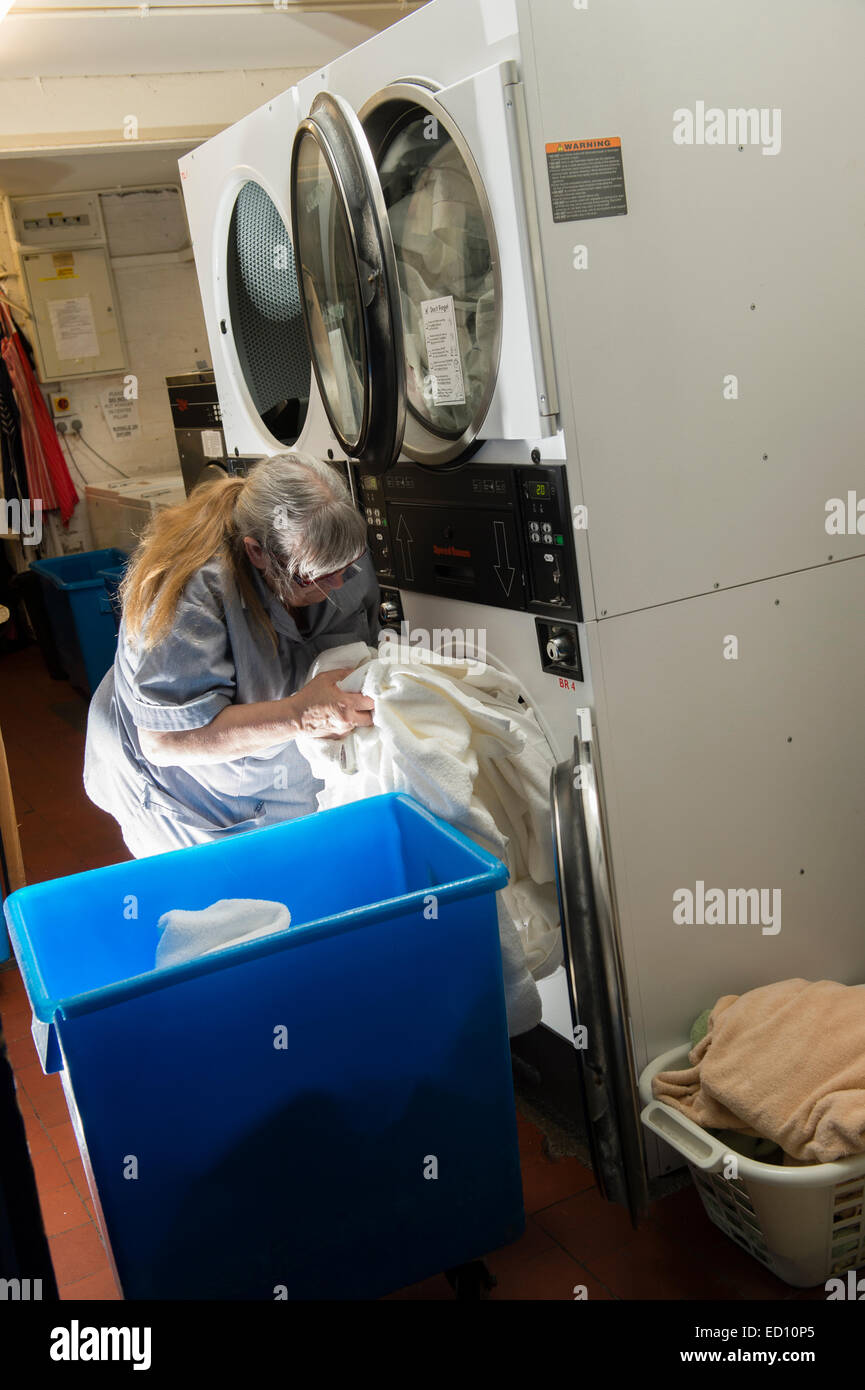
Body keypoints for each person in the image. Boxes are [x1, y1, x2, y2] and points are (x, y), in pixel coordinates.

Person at [84, 452, 378, 858]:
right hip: (192, 799)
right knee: (225, 909)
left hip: (277, 778)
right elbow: (166, 740)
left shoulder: (341, 557)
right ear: (257, 552)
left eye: (347, 567)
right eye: (316, 577)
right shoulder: (194, 591)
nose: (338, 584)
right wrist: (300, 714)